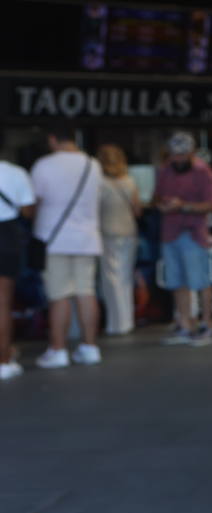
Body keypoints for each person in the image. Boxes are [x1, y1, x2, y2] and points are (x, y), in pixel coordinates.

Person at [31, 127, 103, 368]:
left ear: (53, 139)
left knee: (58, 295)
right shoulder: (93, 164)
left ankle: (58, 349)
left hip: (54, 239)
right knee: (86, 292)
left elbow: (34, 202)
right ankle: (90, 347)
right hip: (88, 238)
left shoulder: (43, 165)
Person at [154, 132, 212, 346]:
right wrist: (162, 204)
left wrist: (183, 206)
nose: (178, 159)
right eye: (175, 155)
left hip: (193, 233)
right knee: (176, 281)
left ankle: (206, 326)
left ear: (191, 153)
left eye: (182, 155)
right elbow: (156, 197)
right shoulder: (165, 170)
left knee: (200, 281)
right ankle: (184, 325)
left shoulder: (204, 172)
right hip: (170, 232)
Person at [96, 145, 142, 336]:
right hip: (129, 232)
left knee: (111, 279)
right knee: (125, 277)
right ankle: (127, 320)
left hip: (107, 233)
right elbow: (138, 210)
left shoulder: (99, 183)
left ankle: (116, 323)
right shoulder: (130, 181)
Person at [0, 155, 36, 380]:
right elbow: (27, 211)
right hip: (6, 236)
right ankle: (3, 361)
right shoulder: (15, 172)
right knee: (2, 302)